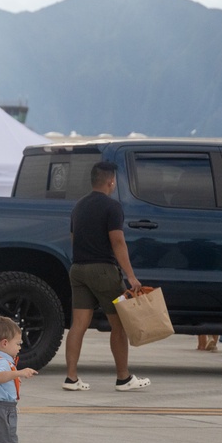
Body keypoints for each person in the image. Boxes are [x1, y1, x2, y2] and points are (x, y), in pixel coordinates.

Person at [63, 161, 151, 392]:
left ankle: (71, 378)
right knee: (119, 324)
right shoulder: (112, 207)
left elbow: (74, 239)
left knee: (78, 325)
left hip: (78, 269)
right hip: (103, 271)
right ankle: (123, 378)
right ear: (111, 182)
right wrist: (131, 276)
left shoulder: (78, 206)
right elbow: (118, 241)